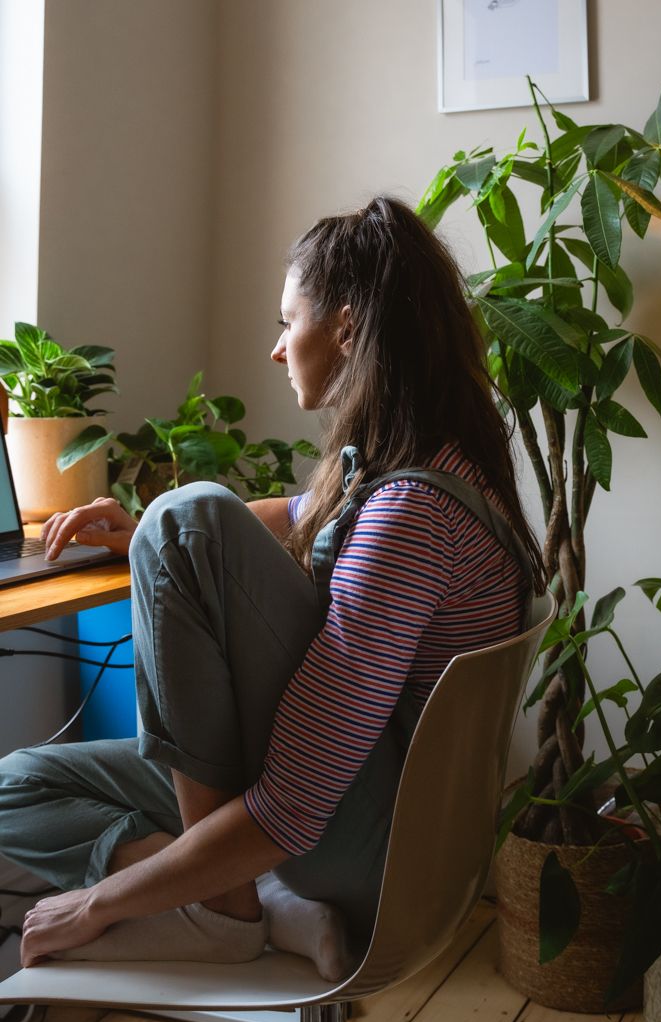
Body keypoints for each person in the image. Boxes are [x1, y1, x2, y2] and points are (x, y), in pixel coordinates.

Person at [0, 196, 545, 978]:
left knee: (187, 518)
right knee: (15, 787)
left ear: (349, 329)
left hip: (375, 857)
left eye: (289, 322)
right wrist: (143, 532)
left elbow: (291, 806)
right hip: (386, 828)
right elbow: (293, 514)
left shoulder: (409, 518)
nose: (277, 349)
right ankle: (258, 905)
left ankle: (221, 911)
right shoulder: (433, 467)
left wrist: (101, 904)